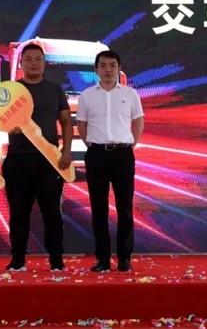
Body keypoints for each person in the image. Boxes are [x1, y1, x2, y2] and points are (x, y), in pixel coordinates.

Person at [3, 43, 73, 271]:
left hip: (49, 160)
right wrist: (8, 126)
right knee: (18, 213)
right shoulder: (12, 91)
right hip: (18, 159)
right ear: (21, 63)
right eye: (29, 59)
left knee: (52, 212)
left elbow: (66, 121)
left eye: (38, 60)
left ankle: (56, 259)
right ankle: (18, 259)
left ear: (44, 64)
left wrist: (66, 151)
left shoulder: (55, 90)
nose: (34, 64)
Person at [76, 50, 144, 272]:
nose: (108, 69)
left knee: (125, 207)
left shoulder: (130, 94)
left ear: (119, 68)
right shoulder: (87, 95)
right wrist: (91, 144)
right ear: (96, 70)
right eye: (103, 65)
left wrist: (131, 143)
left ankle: (124, 258)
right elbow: (82, 125)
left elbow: (138, 121)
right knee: (98, 209)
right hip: (97, 155)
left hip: (123, 155)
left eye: (112, 65)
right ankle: (102, 259)